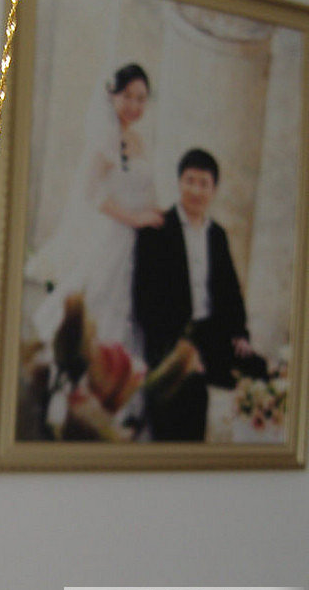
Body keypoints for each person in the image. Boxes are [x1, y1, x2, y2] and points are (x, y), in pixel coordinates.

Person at [24, 63, 162, 433]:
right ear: (112, 96)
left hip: (137, 241)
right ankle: (78, 392)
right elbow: (93, 195)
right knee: (102, 301)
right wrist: (134, 218)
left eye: (141, 98)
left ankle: (119, 398)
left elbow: (145, 188)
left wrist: (152, 214)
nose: (134, 105)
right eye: (127, 96)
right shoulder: (105, 139)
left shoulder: (138, 139)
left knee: (131, 308)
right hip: (113, 235)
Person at [133, 148, 268, 441]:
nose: (195, 190)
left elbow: (230, 290)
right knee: (190, 389)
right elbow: (145, 299)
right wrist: (182, 350)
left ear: (214, 189)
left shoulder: (217, 234)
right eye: (189, 181)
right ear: (179, 182)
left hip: (210, 333)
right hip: (170, 336)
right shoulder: (158, 228)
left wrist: (240, 333)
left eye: (203, 183)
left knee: (260, 369)